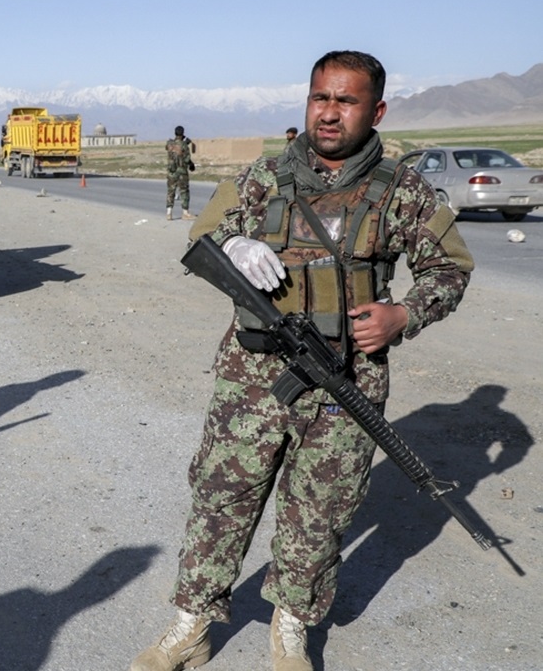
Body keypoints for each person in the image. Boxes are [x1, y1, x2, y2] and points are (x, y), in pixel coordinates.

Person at [130, 51, 472, 671]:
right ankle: (192, 624)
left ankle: (289, 627)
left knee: (320, 509)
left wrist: (405, 315)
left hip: (347, 377)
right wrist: (234, 240)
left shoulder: (403, 190)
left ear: (377, 110)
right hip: (252, 373)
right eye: (321, 98)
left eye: (346, 101)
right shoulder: (264, 174)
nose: (330, 112)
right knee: (221, 494)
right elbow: (203, 235)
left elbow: (449, 268)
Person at [165, 125, 195, 221]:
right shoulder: (184, 145)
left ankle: (169, 213)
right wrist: (191, 165)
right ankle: (185, 213)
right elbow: (186, 159)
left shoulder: (169, 144)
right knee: (184, 191)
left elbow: (170, 148)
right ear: (182, 133)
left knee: (171, 191)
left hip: (171, 172)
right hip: (181, 172)